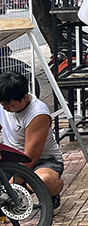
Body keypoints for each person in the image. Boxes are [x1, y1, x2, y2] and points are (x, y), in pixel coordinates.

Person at [0, 71, 64, 207]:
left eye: (9, 105)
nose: (5, 108)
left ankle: (53, 190)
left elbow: (30, 158)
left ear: (24, 97)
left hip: (42, 162)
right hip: (11, 161)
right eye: (2, 103)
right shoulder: (4, 105)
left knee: (42, 181)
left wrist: (8, 190)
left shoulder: (38, 114)